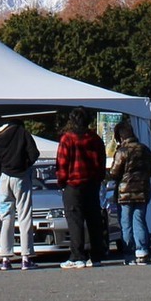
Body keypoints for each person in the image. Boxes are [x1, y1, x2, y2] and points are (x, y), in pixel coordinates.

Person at [0, 118, 41, 271]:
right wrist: (24, 165)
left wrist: (1, 166)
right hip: (21, 178)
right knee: (24, 215)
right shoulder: (24, 133)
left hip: (4, 180)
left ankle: (5, 258)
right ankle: (26, 258)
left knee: (6, 217)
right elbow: (34, 154)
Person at [56, 111, 108, 269]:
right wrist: (98, 179)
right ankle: (97, 256)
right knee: (94, 220)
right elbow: (101, 162)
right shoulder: (95, 139)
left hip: (73, 185)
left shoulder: (67, 139)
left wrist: (62, 181)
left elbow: (62, 163)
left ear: (72, 120)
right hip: (92, 184)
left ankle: (77, 256)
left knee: (75, 221)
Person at [110, 123, 151, 263]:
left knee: (126, 223)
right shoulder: (145, 149)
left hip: (125, 192)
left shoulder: (122, 151)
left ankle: (129, 254)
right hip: (142, 190)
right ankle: (142, 251)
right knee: (139, 220)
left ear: (120, 137)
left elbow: (114, 172)